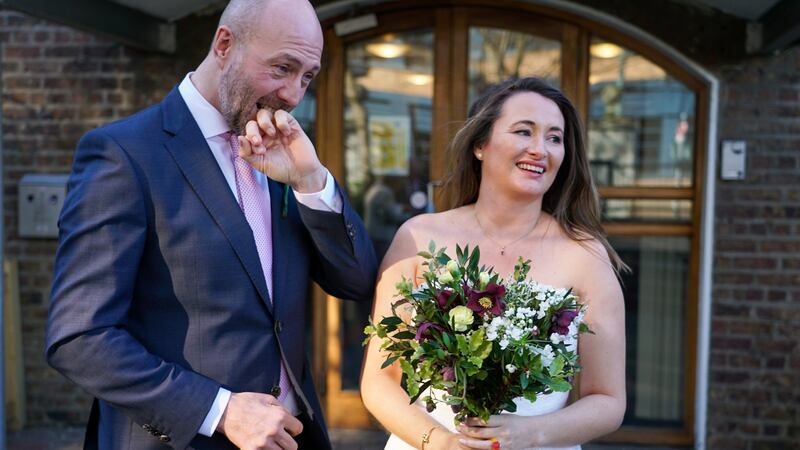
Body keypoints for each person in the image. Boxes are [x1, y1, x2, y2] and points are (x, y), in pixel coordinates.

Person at [45, 0, 377, 449]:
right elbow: (80, 336)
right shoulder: (125, 155)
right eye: (282, 67)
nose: (294, 95)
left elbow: (355, 281)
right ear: (225, 44)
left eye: (307, 76)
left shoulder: (286, 154)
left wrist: (311, 181)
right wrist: (219, 410)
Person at [360, 77, 626, 450]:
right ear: (480, 144)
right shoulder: (418, 239)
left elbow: (608, 400)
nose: (541, 149)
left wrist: (531, 434)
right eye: (524, 132)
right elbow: (378, 381)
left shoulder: (584, 254)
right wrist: (438, 441)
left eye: (554, 138)